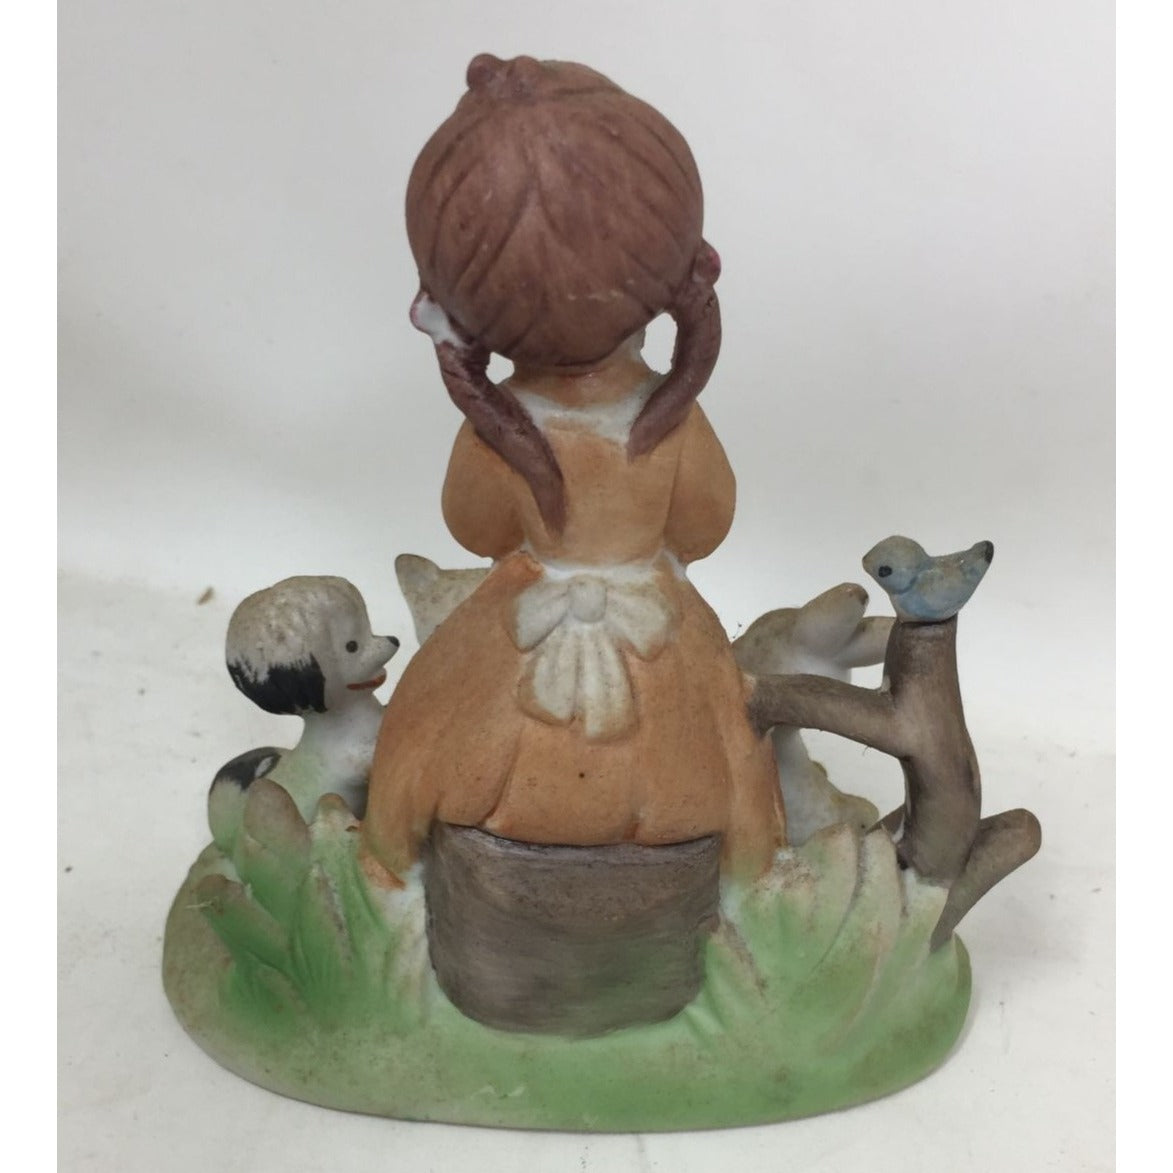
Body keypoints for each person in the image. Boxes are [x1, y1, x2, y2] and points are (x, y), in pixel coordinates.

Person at [362, 54, 784, 884]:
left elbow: (474, 527)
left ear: (448, 307)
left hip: (517, 626)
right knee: (725, 751)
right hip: (657, 634)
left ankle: (396, 860)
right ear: (684, 269)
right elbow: (705, 525)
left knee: (429, 734)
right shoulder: (670, 425)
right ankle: (737, 874)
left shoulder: (499, 430)